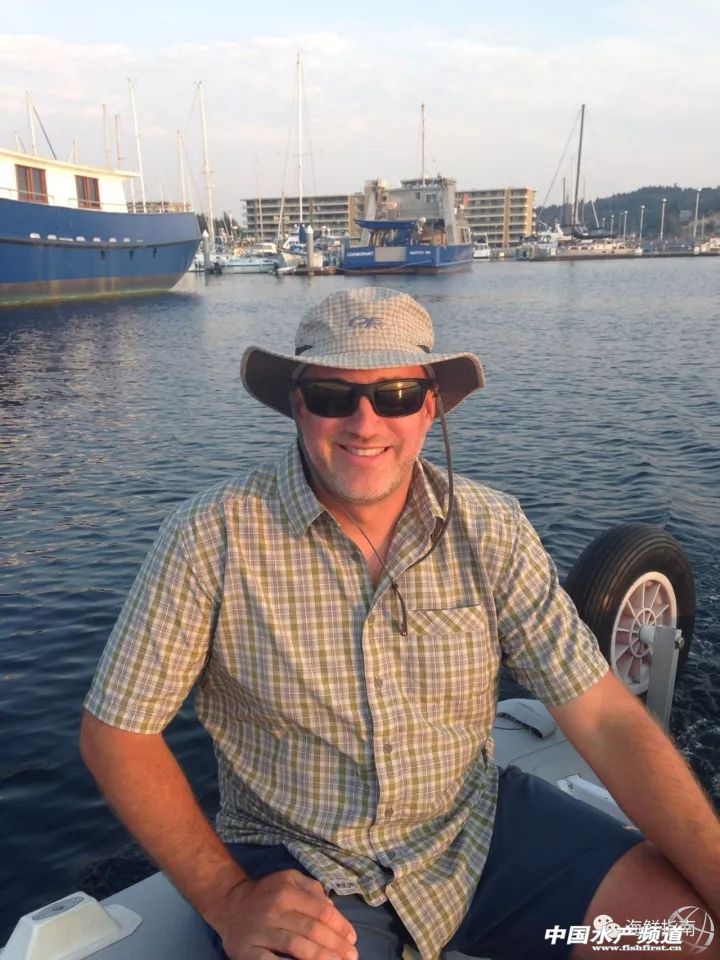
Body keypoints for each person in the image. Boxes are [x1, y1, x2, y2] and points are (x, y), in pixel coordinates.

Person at [81, 287, 719, 960]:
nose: (365, 423)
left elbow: (606, 717)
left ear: (430, 405)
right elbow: (117, 734)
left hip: (476, 832)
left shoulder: (492, 529)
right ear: (298, 404)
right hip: (302, 859)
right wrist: (227, 897)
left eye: (396, 395)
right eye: (332, 395)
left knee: (691, 935)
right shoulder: (208, 537)